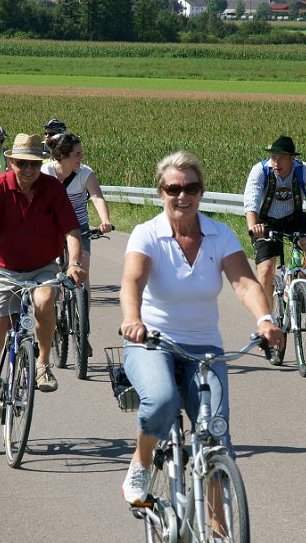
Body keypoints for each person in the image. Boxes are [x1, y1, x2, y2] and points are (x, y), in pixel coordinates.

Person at [120, 151, 284, 505]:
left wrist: (265, 319)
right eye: (173, 188)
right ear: (161, 192)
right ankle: (142, 460)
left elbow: (245, 283)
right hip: (152, 342)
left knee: (215, 438)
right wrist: (132, 319)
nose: (183, 195)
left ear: (201, 192)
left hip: (205, 348)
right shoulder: (147, 234)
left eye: (191, 188)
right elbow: (132, 281)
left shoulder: (218, 234)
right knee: (162, 400)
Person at [0, 134, 86, 439]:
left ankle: (43, 364)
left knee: (45, 301)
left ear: (39, 163)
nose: (28, 169)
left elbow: (72, 229)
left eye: (33, 163)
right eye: (21, 163)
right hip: (3, 271)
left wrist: (73, 262)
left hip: (42, 268)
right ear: (11, 162)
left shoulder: (52, 189)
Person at [244, 135, 306, 311]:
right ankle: (267, 319)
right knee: (266, 271)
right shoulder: (260, 171)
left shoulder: (304, 170)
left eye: (281, 157)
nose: (276, 162)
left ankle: (299, 287)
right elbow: (251, 201)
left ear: (292, 158)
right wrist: (254, 226)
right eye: (273, 157)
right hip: (266, 223)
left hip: (294, 217)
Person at [40, 132, 114, 275]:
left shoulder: (85, 173)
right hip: (51, 226)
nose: (81, 157)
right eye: (77, 154)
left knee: (82, 273)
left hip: (78, 225)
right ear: (63, 155)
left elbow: (97, 197)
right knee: (47, 275)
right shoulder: (46, 172)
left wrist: (105, 220)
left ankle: (82, 297)